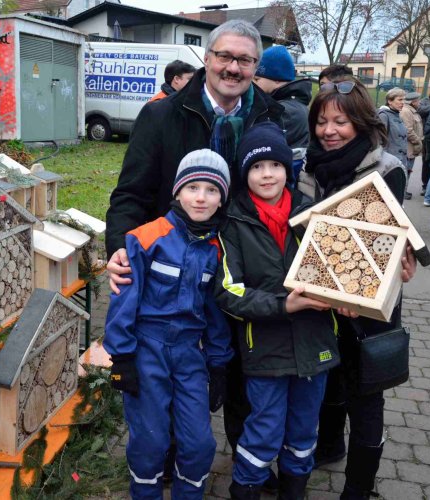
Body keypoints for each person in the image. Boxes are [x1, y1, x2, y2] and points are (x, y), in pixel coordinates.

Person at [105, 18, 284, 493]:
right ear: (207, 59)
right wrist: (120, 248)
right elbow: (130, 192)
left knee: (241, 364)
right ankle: (159, 459)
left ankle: (245, 462)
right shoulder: (163, 114)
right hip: (175, 256)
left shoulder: (271, 115)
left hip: (244, 260)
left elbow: (285, 185)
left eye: (245, 60)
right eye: (224, 56)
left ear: (256, 66)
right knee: (163, 389)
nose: (233, 67)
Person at [299, 77, 416, 500]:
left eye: (340, 122)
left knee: (366, 394)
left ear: (361, 121)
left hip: (367, 301)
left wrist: (356, 294)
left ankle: (359, 486)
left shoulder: (387, 168)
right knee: (330, 377)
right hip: (319, 295)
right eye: (321, 121)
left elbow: (386, 242)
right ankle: (329, 446)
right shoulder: (307, 166)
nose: (328, 131)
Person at [215, 121, 339, 500]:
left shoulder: (313, 215)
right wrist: (284, 304)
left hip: (315, 344)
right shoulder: (233, 222)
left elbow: (339, 271)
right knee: (264, 430)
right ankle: (246, 488)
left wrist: (348, 302)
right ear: (244, 173)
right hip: (265, 350)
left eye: (275, 165)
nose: (267, 174)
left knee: (304, 431)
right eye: (256, 166)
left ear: (288, 168)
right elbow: (228, 292)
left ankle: (294, 490)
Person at [104, 149, 233, 499]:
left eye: (212, 190)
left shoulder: (217, 250)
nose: (201, 197)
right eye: (193, 188)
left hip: (190, 355)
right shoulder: (145, 238)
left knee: (199, 443)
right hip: (147, 352)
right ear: (177, 191)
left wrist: (219, 363)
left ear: (222, 199)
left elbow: (215, 313)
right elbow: (124, 300)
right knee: (151, 441)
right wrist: (122, 357)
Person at [253, 45, 311, 184]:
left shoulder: (286, 111)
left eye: (256, 79)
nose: (252, 84)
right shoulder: (289, 105)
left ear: (277, 79)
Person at [378, 87, 411, 199]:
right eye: (400, 100)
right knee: (390, 196)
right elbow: (379, 141)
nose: (403, 103)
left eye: (404, 100)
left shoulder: (397, 114)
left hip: (400, 161)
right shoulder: (384, 115)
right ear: (390, 101)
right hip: (390, 164)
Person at [399, 91, 423, 198]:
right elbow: (408, 130)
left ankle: (404, 191)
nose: (419, 102)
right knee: (406, 170)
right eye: (418, 101)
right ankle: (402, 192)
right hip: (408, 147)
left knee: (408, 170)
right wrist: (418, 141)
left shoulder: (411, 111)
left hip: (411, 147)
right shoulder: (406, 112)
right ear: (413, 102)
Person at [417, 83, 430, 195]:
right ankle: (425, 185)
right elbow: (419, 110)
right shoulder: (424, 101)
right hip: (426, 138)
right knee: (426, 163)